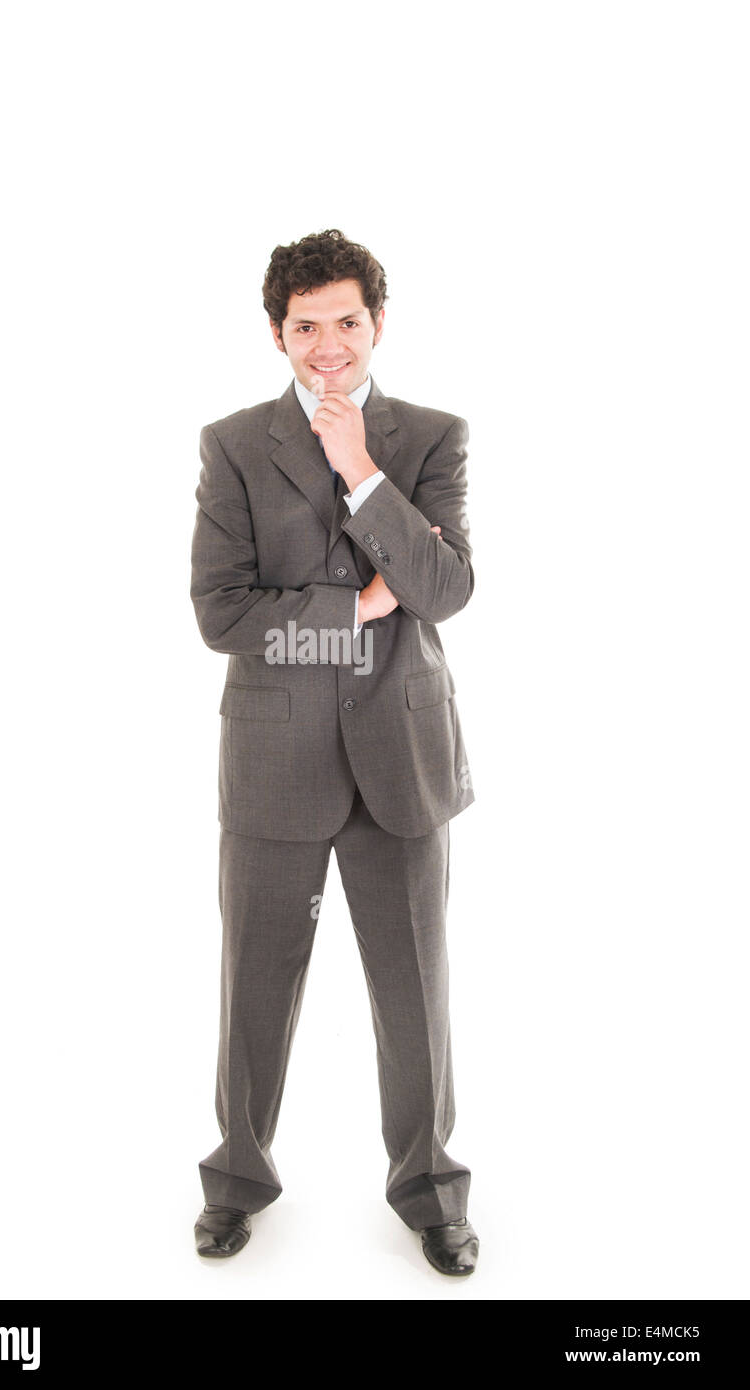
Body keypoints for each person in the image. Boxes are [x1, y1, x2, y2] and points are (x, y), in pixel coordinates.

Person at [189, 229, 479, 1276]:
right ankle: (237, 1180)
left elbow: (448, 592)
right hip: (275, 763)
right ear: (277, 332)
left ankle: (430, 1190)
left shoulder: (431, 439)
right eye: (304, 327)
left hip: (402, 759)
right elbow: (222, 613)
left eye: (345, 323)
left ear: (377, 324)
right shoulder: (232, 445)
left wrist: (362, 470)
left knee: (417, 996)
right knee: (253, 990)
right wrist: (357, 607)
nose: (326, 347)